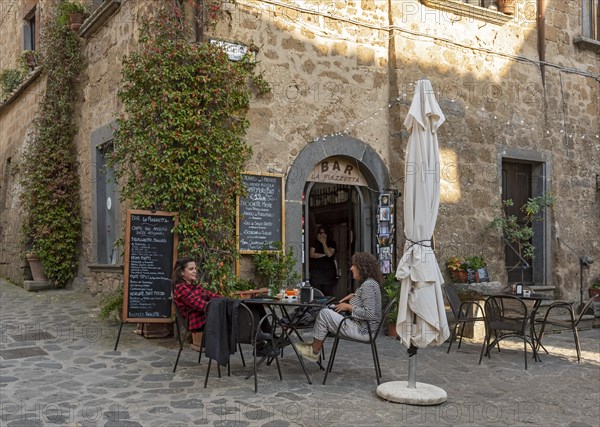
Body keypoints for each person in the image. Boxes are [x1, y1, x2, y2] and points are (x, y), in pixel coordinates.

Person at [296, 252, 382, 361]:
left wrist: (348, 307)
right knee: (329, 310)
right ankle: (315, 344)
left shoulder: (368, 286)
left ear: (362, 268)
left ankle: (314, 350)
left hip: (363, 331)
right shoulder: (371, 283)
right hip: (365, 328)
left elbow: (369, 314)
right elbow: (366, 302)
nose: (351, 268)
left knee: (324, 313)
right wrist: (355, 295)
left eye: (354, 265)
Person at [172, 257, 220, 351]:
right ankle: (221, 351)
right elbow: (197, 303)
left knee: (231, 314)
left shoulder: (194, 286)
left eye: (195, 269)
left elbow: (210, 295)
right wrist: (217, 306)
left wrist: (225, 300)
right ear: (181, 272)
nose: (195, 271)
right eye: (191, 269)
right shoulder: (180, 288)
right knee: (227, 319)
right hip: (196, 321)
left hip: (204, 318)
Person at [309, 225, 337, 296]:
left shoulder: (332, 243)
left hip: (328, 274)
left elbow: (329, 254)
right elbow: (312, 254)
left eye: (323, 233)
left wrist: (324, 243)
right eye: (320, 233)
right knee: (316, 294)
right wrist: (324, 255)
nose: (322, 235)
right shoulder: (314, 243)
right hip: (316, 274)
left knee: (328, 294)